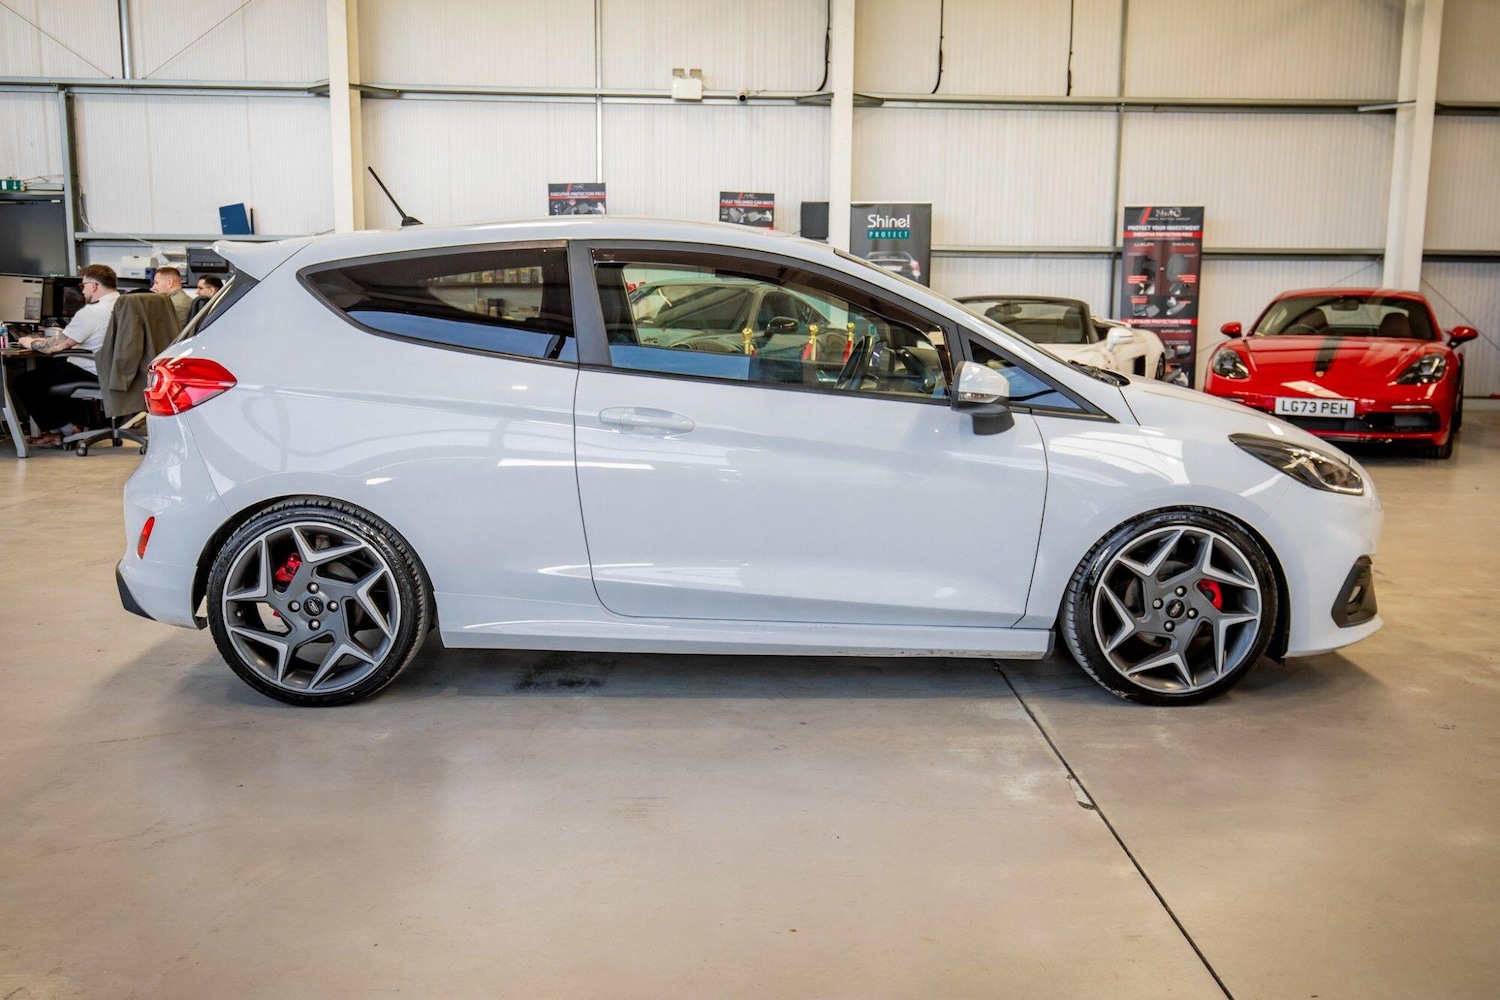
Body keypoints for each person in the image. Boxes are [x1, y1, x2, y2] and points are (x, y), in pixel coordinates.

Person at [12, 264, 120, 447]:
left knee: (24, 382)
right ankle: (61, 429)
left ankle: (64, 430)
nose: (82, 290)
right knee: (50, 371)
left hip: (94, 368)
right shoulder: (127, 304)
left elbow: (54, 347)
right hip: (121, 370)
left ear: (93, 286)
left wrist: (28, 341)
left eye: (83, 285)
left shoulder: (92, 312)